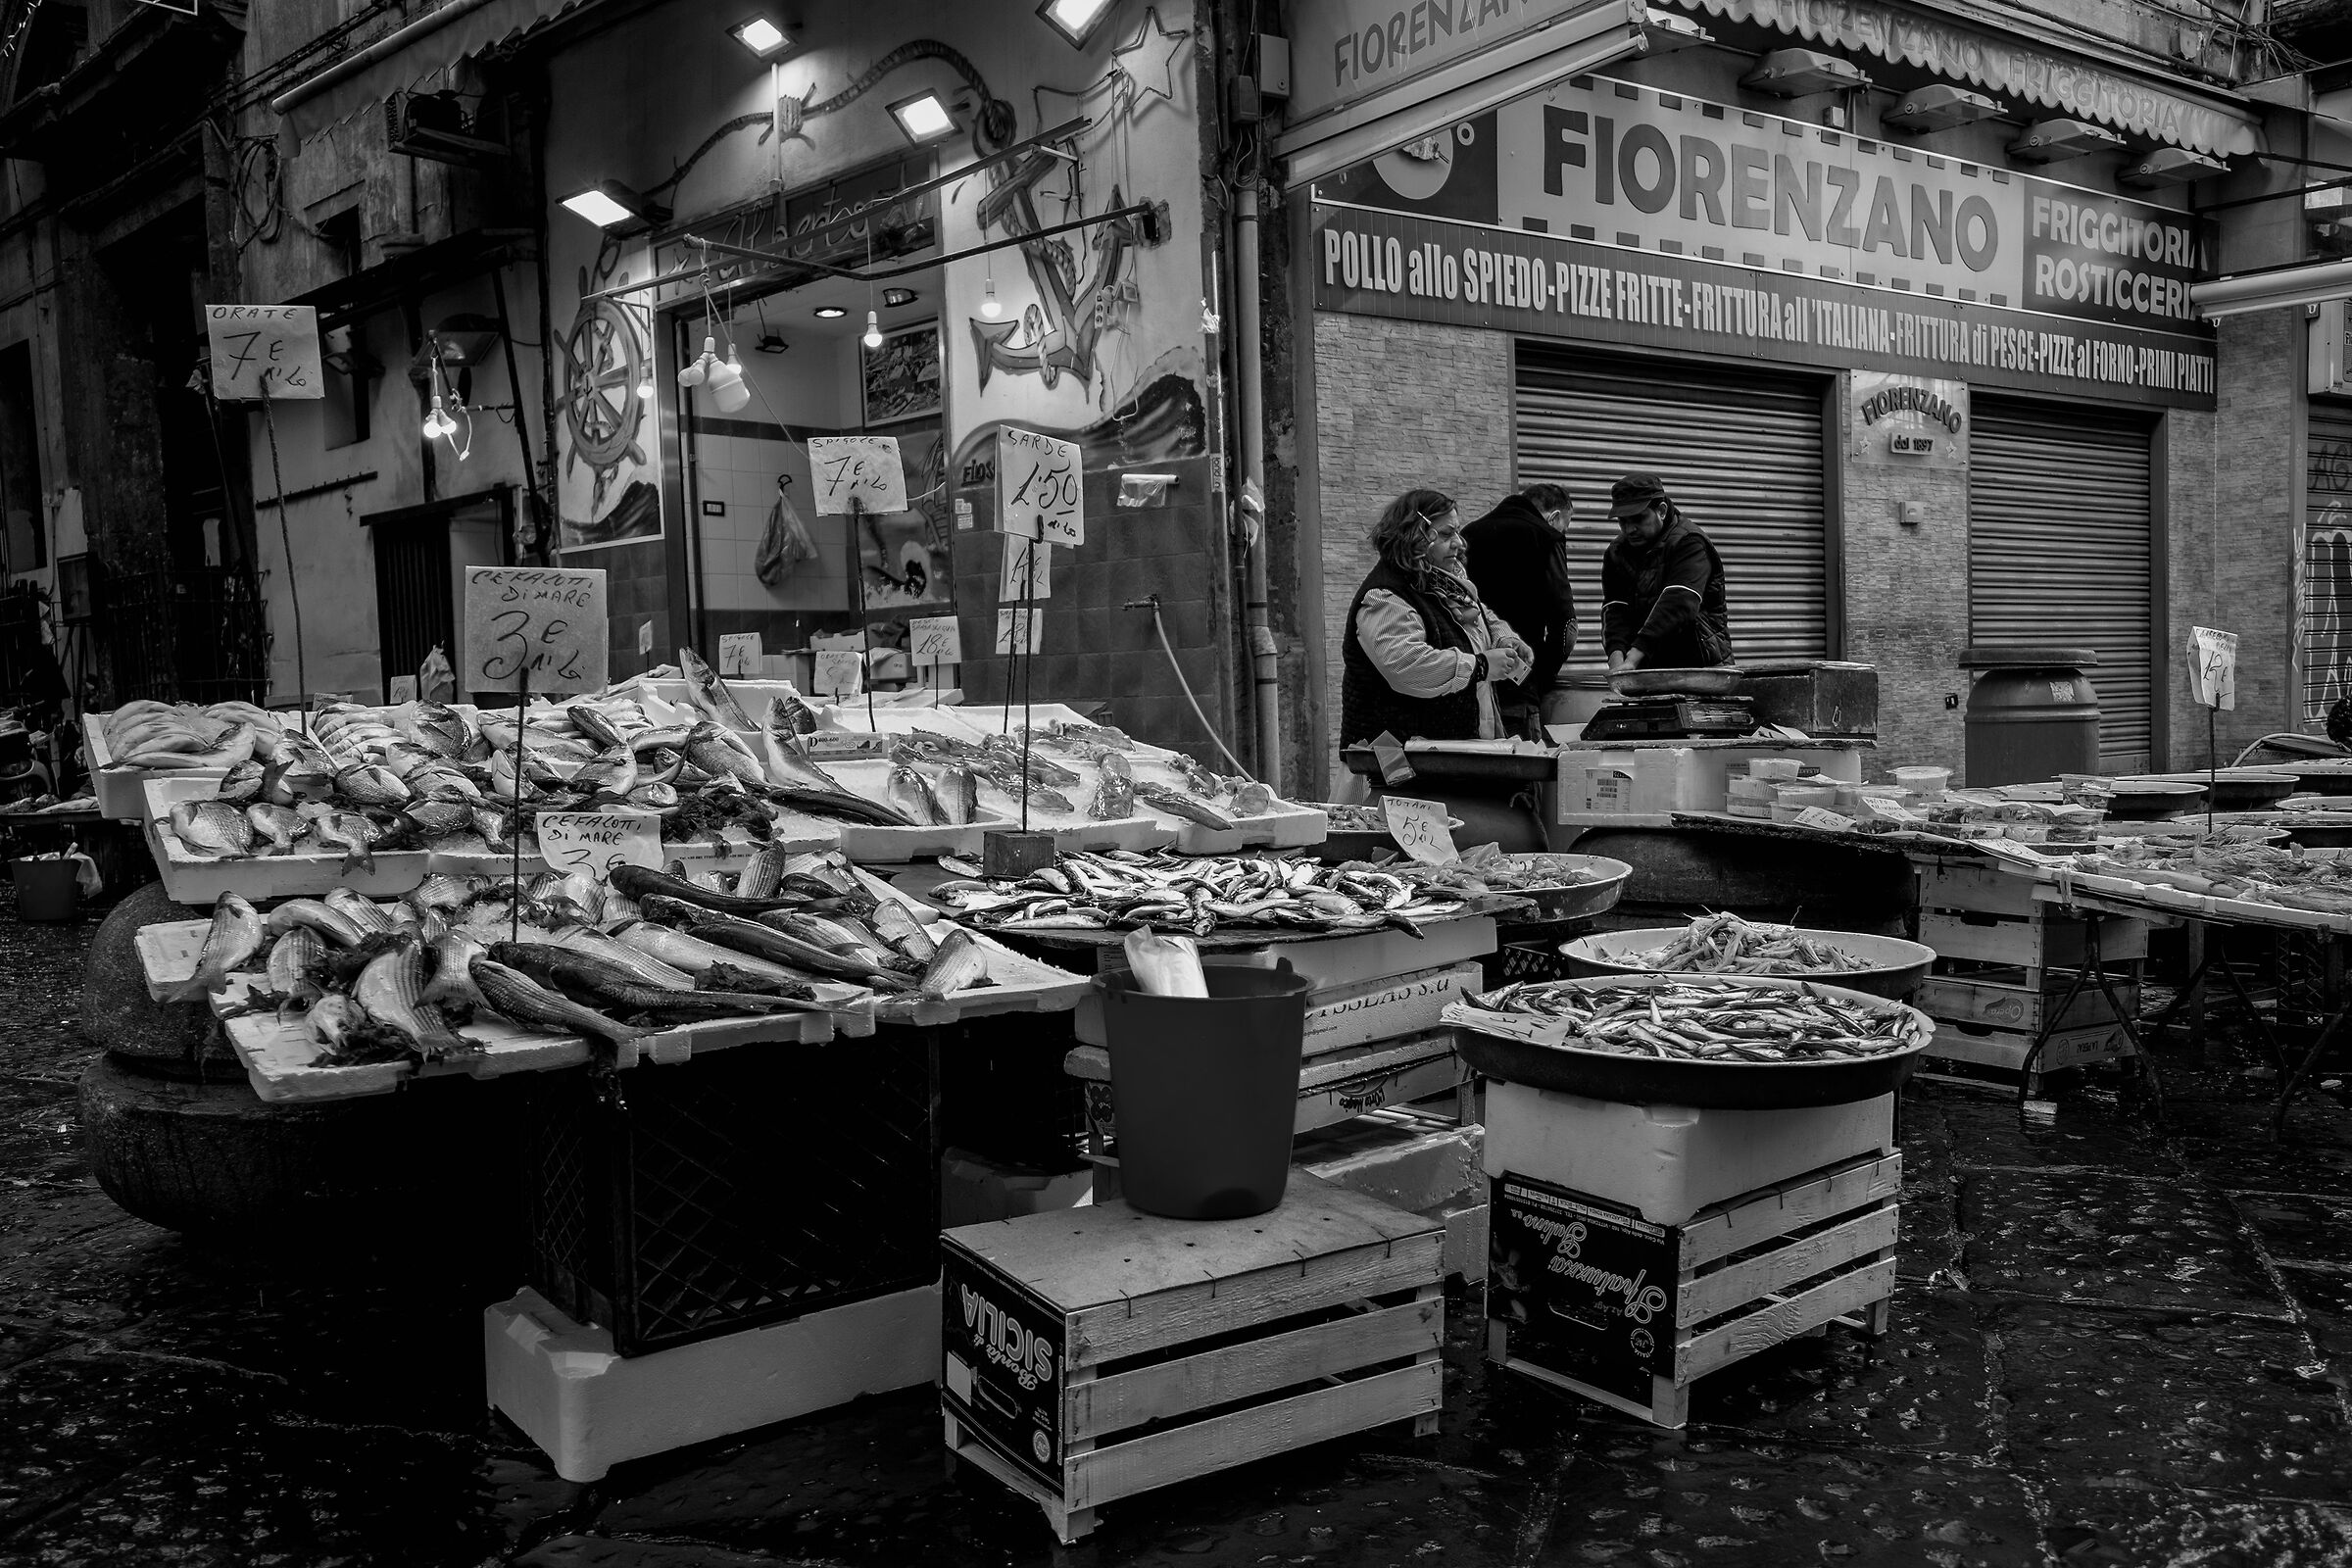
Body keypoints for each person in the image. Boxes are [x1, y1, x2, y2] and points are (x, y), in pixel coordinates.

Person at [1340, 488, 1533, 747]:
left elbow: (1482, 618)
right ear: (1414, 537)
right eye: (1446, 534)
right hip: (1395, 765)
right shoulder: (1385, 597)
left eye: (1457, 531)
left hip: (1447, 759)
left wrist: (1504, 639)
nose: (1459, 542)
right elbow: (1406, 665)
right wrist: (1480, 666)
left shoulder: (1446, 583)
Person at [1464, 481, 1578, 738]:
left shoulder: (1467, 535)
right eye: (1565, 527)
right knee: (1522, 767)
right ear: (1554, 517)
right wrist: (1542, 677)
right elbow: (1566, 627)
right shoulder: (1546, 537)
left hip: (1472, 684)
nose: (1563, 533)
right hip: (1519, 686)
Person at [1599, 472, 1733, 672]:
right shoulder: (1616, 552)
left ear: (1661, 511)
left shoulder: (1690, 543)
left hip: (1698, 667)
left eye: (1638, 519)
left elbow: (1678, 604)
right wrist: (1617, 661)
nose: (1629, 529)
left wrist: (1634, 658)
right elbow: (1615, 609)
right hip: (1647, 671)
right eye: (1623, 521)